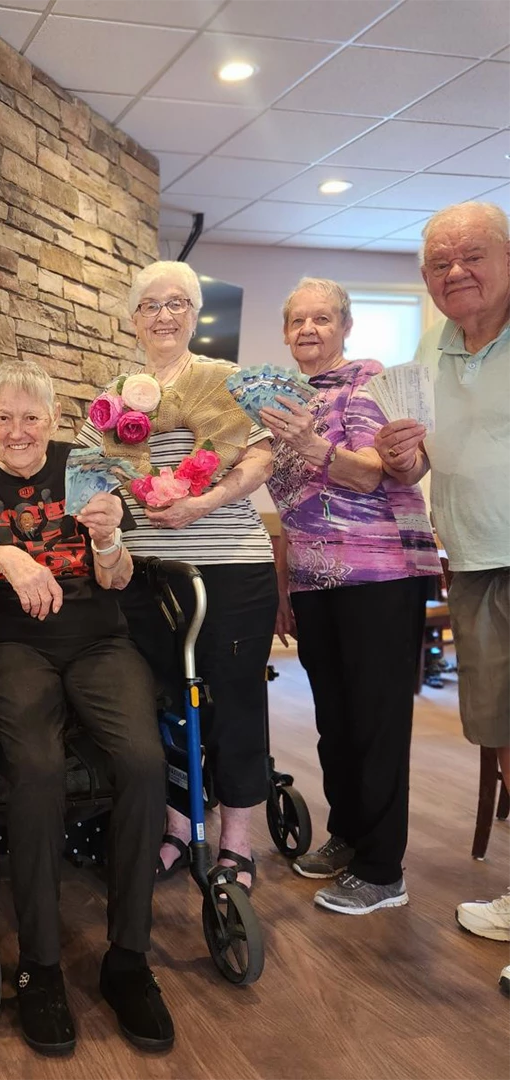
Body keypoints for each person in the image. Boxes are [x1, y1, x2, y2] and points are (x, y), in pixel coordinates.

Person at [0, 360, 172, 1057]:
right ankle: (39, 966)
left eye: (30, 418)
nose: (17, 431)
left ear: (52, 422)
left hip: (100, 641)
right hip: (15, 647)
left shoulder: (84, 463)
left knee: (142, 761)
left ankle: (128, 958)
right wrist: (7, 559)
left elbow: (116, 575)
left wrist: (107, 538)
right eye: (4, 418)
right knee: (34, 768)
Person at [78, 260, 277, 896]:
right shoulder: (113, 395)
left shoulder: (226, 380)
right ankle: (174, 824)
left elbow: (264, 454)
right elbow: (87, 470)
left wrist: (202, 503)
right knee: (159, 701)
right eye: (150, 306)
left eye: (176, 304)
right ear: (132, 320)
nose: (164, 316)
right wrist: (99, 514)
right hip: (144, 575)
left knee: (236, 701)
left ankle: (237, 843)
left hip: (231, 566)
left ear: (194, 314)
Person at [263, 277, 439, 915]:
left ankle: (382, 868)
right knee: (334, 718)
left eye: (322, 319)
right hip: (315, 579)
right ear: (285, 333)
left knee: (376, 721)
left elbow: (373, 471)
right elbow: (284, 504)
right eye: (297, 321)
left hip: (379, 578)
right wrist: (285, 581)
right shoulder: (280, 398)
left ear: (344, 327)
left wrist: (313, 444)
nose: (308, 330)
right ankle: (346, 835)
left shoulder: (367, 388)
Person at [374, 203, 510, 979]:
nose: (455, 272)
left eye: (472, 256)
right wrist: (399, 457)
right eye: (438, 263)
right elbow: (418, 466)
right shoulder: (431, 344)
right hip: (474, 560)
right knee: (502, 729)